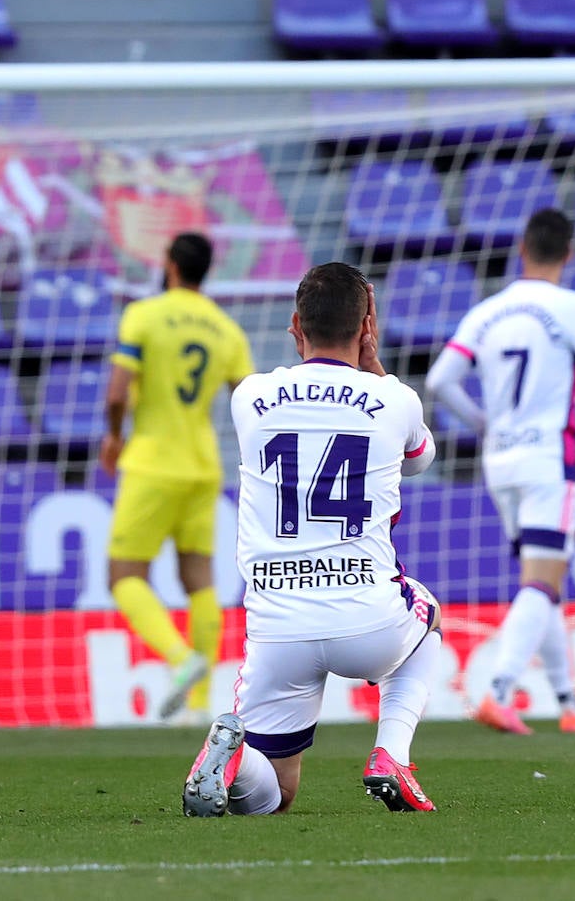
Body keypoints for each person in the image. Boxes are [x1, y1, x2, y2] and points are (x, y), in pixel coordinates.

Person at [182, 261, 442, 818]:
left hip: (278, 627)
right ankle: (391, 755)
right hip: (367, 618)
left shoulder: (249, 397)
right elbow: (419, 461)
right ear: (367, 325)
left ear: (296, 326)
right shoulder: (396, 401)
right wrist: (376, 371)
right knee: (429, 619)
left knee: (273, 795)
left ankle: (230, 758)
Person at [426, 208, 575, 736]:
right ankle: (497, 690)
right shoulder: (571, 306)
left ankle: (569, 701)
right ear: (570, 255)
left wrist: (483, 423)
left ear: (521, 250)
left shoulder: (487, 311)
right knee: (542, 582)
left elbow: (440, 380)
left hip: (500, 461)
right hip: (547, 461)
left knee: (542, 582)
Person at [102, 232, 254, 722]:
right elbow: (247, 399)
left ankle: (179, 658)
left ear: (168, 263)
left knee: (124, 576)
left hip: (152, 462)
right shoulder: (225, 329)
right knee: (199, 580)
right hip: (203, 466)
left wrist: (112, 435)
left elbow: (117, 392)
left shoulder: (143, 314)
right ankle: (198, 705)